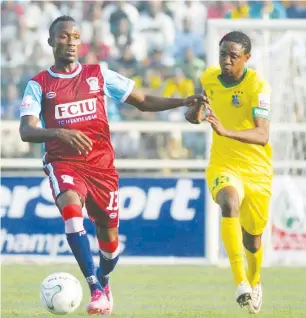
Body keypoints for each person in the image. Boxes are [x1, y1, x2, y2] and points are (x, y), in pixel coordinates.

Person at [19, 16, 204, 316]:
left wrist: (182, 101)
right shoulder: (38, 85)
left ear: (81, 41)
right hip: (63, 163)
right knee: (71, 211)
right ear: (51, 41)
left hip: (102, 169)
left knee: (110, 246)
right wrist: (58, 132)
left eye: (76, 36)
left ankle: (104, 277)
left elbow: (142, 101)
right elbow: (26, 131)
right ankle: (94, 288)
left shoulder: (99, 75)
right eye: (63, 36)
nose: (70, 41)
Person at [187, 31, 272, 313]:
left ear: (247, 58)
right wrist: (195, 111)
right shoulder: (209, 79)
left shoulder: (258, 85)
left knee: (253, 237)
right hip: (223, 164)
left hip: (257, 169)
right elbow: (194, 116)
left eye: (233, 56)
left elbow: (262, 135)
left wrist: (226, 131)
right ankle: (240, 283)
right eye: (223, 54)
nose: (226, 60)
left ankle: (255, 280)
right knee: (229, 201)